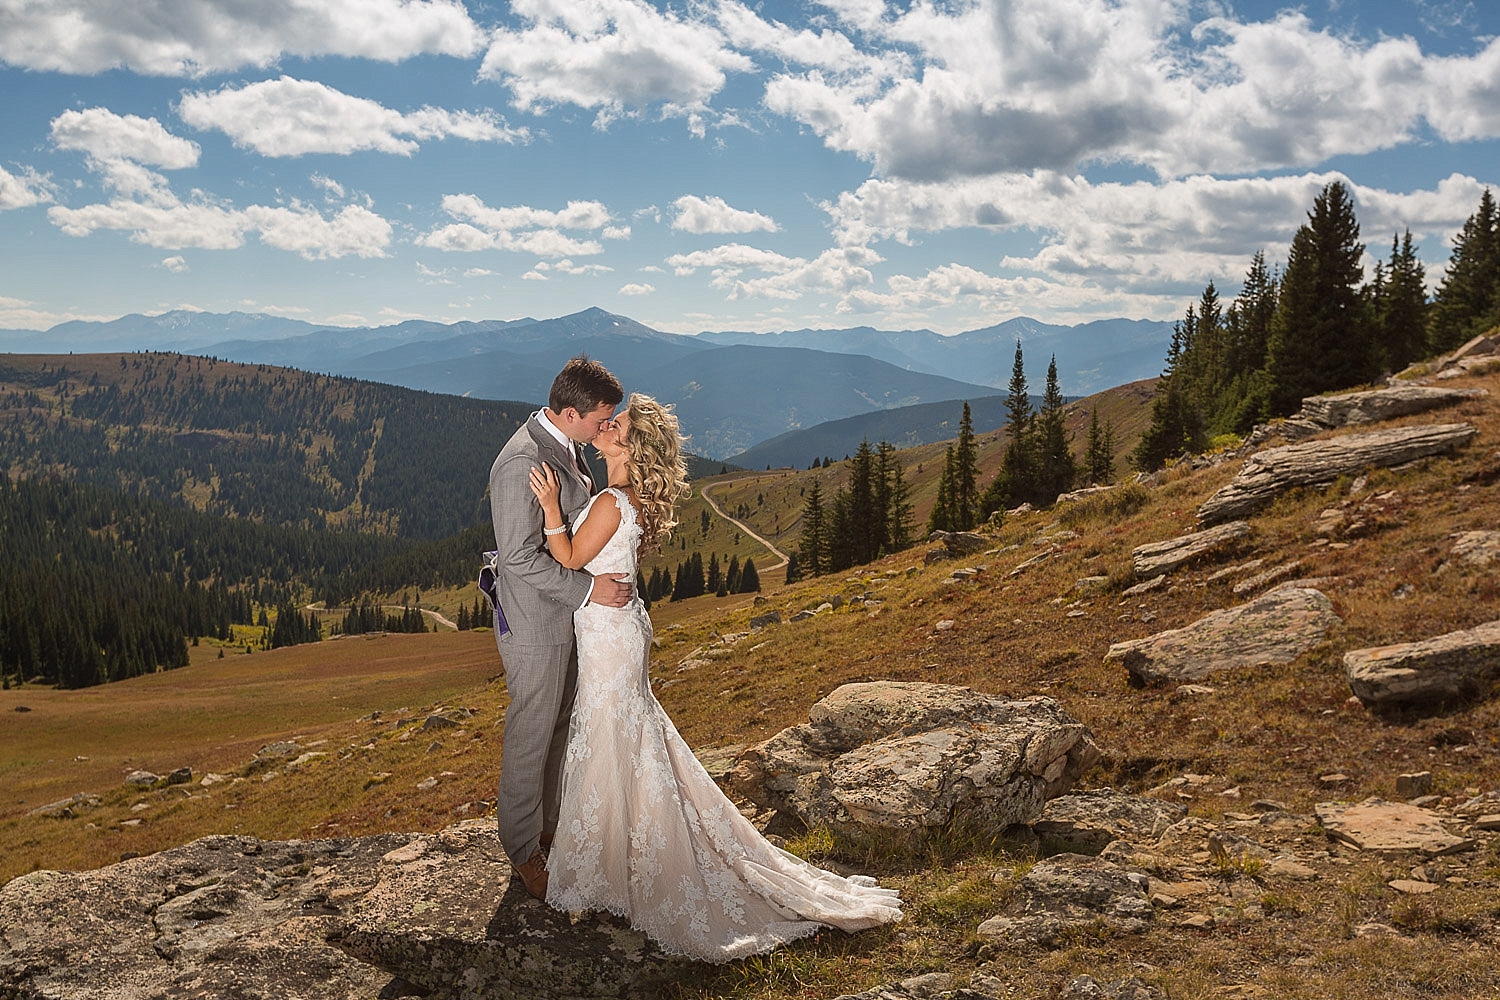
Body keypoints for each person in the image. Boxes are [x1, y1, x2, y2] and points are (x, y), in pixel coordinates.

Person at [527, 392, 902, 963]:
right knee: (623, 733)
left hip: (608, 632)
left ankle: (615, 866)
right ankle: (620, 858)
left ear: (629, 443)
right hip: (619, 627)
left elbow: (573, 559)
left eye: (617, 422)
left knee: (609, 732)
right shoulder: (629, 498)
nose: (607, 423)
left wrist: (552, 508)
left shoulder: (609, 500)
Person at [488, 355, 632, 900]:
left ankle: (548, 828)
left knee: (558, 727)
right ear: (571, 413)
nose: (607, 428)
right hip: (532, 623)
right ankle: (523, 850)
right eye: (602, 418)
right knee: (532, 732)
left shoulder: (567, 445)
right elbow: (519, 556)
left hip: (566, 618)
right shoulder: (520, 460)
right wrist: (590, 590)